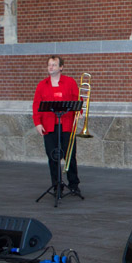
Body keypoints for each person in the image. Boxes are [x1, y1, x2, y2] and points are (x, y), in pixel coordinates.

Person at [32, 55, 81, 195]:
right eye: (49, 65)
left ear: (61, 67)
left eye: (54, 64)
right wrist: (38, 123)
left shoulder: (70, 82)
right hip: (48, 125)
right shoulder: (42, 85)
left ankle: (74, 184)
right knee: (52, 156)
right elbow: (36, 105)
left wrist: (80, 111)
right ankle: (56, 185)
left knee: (70, 156)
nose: (51, 67)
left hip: (66, 125)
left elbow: (77, 99)